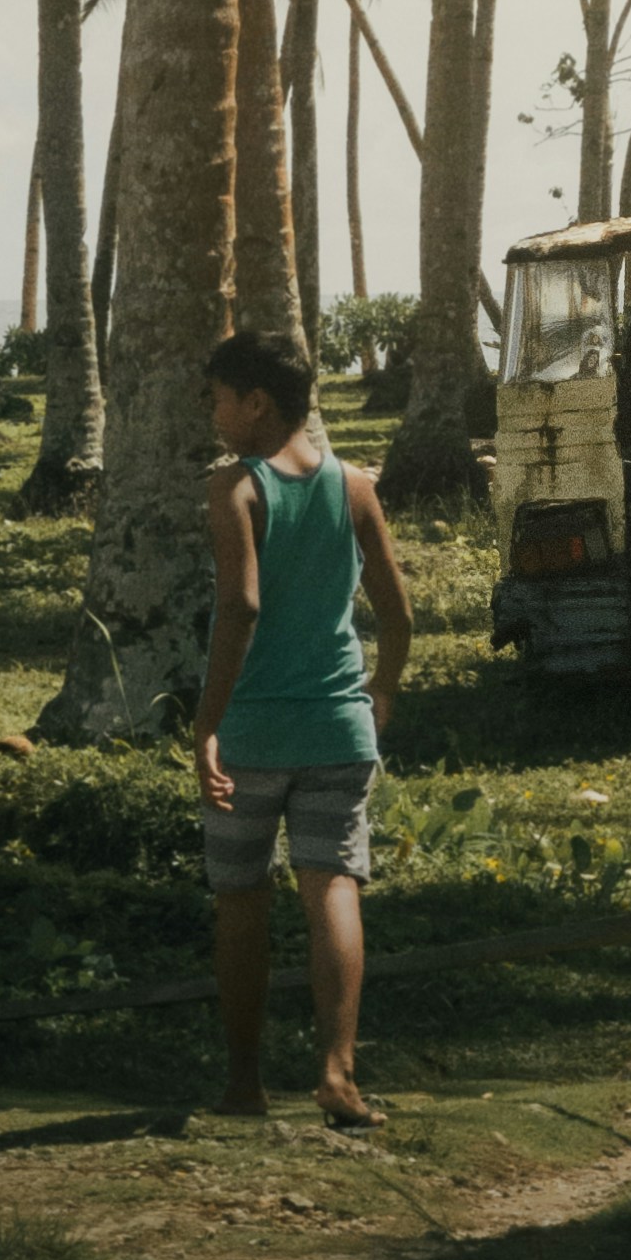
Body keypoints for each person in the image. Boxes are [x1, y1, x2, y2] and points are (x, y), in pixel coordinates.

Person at [195, 330, 411, 1129]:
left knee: (240, 897)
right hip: (336, 726)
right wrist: (380, 689)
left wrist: (206, 724)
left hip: (249, 730)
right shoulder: (354, 484)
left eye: (220, 399)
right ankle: (337, 1074)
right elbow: (396, 610)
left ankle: (245, 1083)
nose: (215, 416)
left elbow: (241, 605)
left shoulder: (235, 489)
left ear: (256, 403)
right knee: (334, 885)